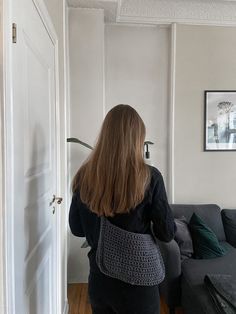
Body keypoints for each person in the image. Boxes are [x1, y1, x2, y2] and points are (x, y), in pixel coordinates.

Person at [69, 104, 176, 314]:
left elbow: (77, 229)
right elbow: (167, 233)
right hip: (138, 284)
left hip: (100, 280)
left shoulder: (84, 176)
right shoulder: (150, 177)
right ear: (137, 138)